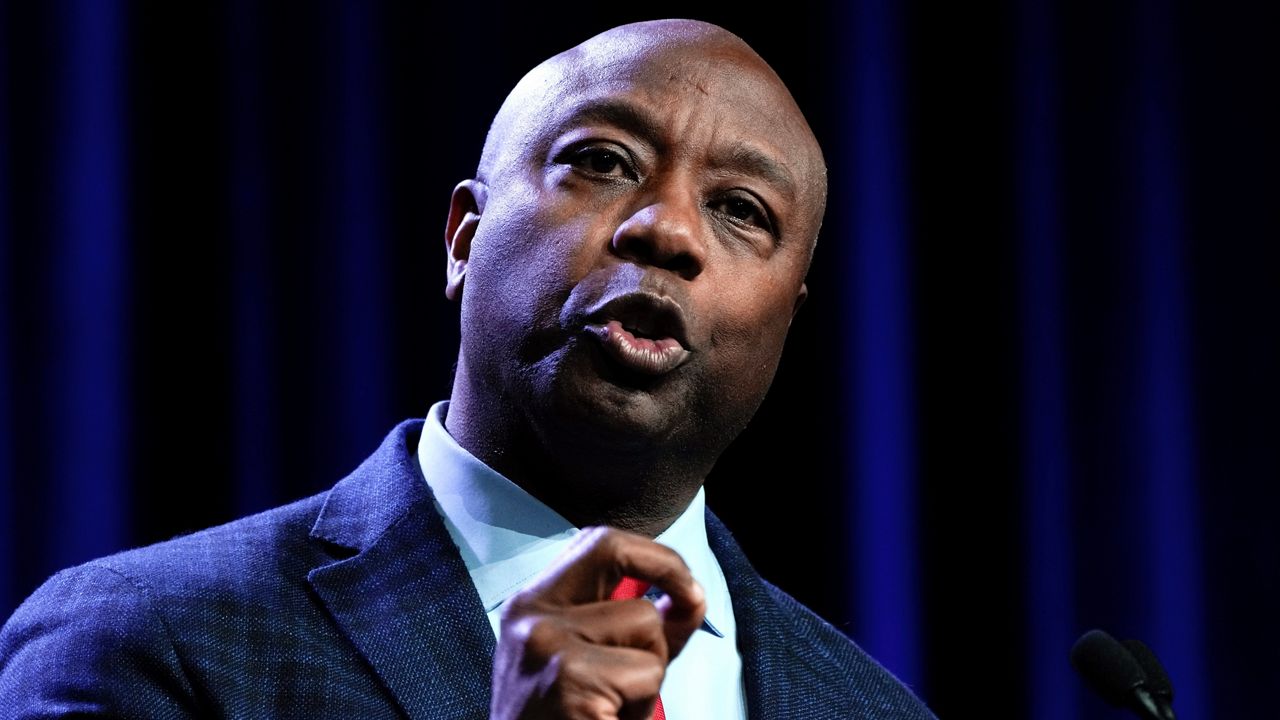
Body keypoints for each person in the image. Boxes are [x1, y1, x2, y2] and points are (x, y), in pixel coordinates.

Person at [0, 18, 935, 720]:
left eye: (740, 209)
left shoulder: (872, 709)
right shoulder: (148, 639)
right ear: (463, 239)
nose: (668, 228)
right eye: (604, 162)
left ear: (787, 319)